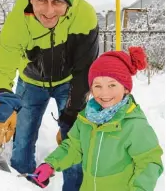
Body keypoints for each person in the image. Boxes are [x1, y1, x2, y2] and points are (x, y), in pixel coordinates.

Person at [0, 0, 99, 190]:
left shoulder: (84, 16)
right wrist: (2, 99)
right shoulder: (20, 17)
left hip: (69, 82)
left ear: (69, 1)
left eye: (57, 2)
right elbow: (1, 66)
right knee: (23, 142)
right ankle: (22, 184)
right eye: (41, 0)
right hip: (31, 81)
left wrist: (70, 116)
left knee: (75, 143)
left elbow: (85, 71)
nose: (48, 11)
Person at [31, 47, 164, 190]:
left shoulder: (134, 125)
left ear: (125, 88)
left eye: (112, 85)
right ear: (91, 89)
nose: (104, 92)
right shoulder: (86, 118)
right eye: (98, 86)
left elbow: (149, 163)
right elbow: (74, 147)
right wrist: (51, 164)